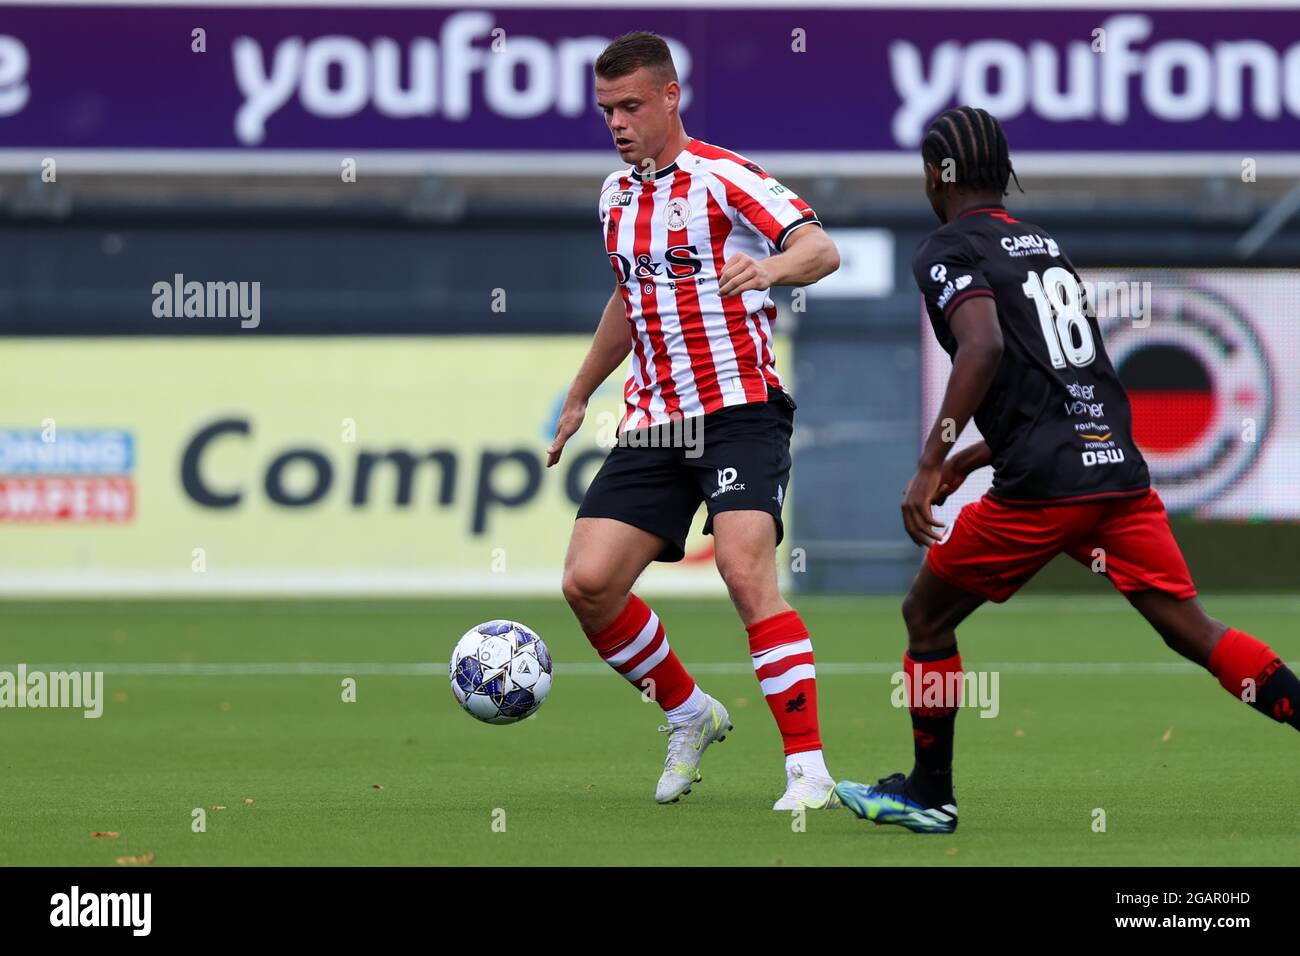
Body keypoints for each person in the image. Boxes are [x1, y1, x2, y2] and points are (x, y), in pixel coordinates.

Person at [836, 105, 1300, 833]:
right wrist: (971, 454)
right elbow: (1066, 377)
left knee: (925, 616)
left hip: (1043, 491)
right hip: (1113, 472)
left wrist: (928, 464)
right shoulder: (1042, 245)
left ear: (935, 174)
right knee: (1194, 631)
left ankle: (930, 794)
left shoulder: (947, 247)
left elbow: (983, 349)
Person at [546, 32, 842, 809]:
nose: (618, 123)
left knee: (747, 573)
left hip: (740, 409)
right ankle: (688, 713)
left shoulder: (722, 176)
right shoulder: (614, 197)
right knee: (588, 584)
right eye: (607, 109)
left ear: (671, 97)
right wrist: (580, 393)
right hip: (655, 420)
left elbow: (820, 248)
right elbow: (628, 297)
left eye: (632, 106)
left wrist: (771, 266)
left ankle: (807, 769)